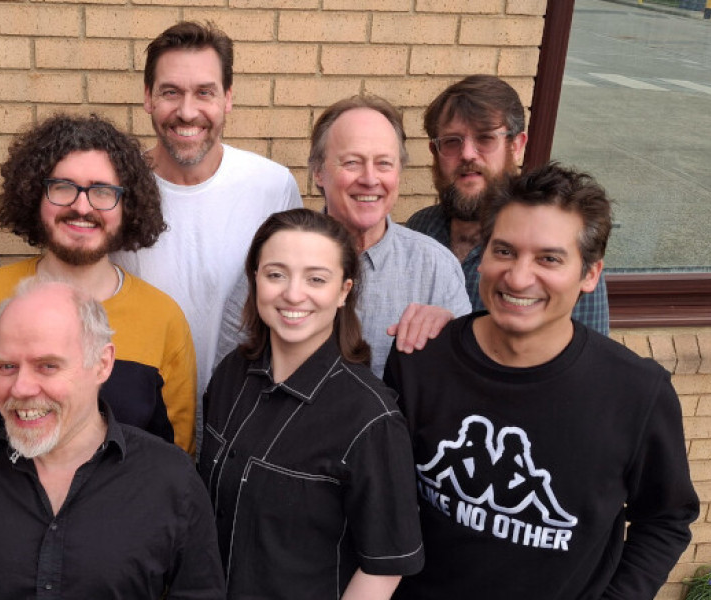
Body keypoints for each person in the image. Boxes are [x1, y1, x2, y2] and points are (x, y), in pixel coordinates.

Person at [384, 163, 699, 599]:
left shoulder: (637, 393)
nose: (517, 277)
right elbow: (381, 503)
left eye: (548, 258)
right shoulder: (421, 362)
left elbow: (665, 518)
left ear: (590, 274)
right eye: (505, 251)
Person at [0, 279, 226, 599]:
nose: (21, 388)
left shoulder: (170, 478)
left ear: (102, 364)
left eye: (48, 366)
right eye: (7, 366)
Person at [0, 114, 196, 454]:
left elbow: (176, 456)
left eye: (102, 191)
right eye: (63, 188)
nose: (81, 206)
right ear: (34, 196)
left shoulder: (162, 319)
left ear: (127, 205)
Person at [201, 208, 424, 599]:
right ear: (256, 281)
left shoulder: (371, 419)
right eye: (276, 274)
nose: (292, 293)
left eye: (316, 279)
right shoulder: (231, 374)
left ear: (343, 291)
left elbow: (384, 567)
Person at [112, 21, 304, 411]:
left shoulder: (271, 186)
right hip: (138, 419)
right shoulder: (111, 190)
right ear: (148, 97)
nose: (187, 112)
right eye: (171, 92)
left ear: (227, 98)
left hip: (245, 411)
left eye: (204, 93)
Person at [218, 96, 470, 378]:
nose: (370, 179)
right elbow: (226, 382)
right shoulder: (273, 261)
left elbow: (462, 387)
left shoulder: (436, 269)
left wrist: (452, 335)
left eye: (384, 163)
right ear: (318, 172)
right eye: (352, 162)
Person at [406, 74, 609, 334]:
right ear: (435, 152)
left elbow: (587, 357)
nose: (467, 153)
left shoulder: (561, 247)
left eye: (485, 138)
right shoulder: (420, 229)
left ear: (516, 145)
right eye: (452, 142)